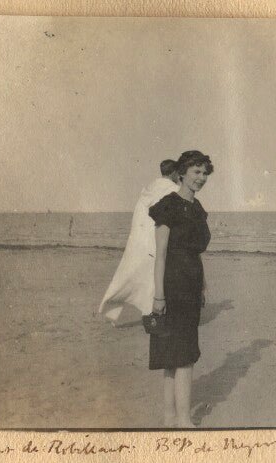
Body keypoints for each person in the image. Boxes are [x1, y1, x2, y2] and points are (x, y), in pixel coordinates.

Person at [149, 150, 213, 427]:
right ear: (182, 172)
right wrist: (158, 295)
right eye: (196, 172)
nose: (201, 178)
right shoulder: (168, 205)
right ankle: (180, 418)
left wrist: (202, 286)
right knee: (179, 352)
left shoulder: (197, 209)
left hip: (192, 280)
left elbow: (196, 253)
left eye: (204, 172)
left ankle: (171, 416)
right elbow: (160, 254)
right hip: (172, 281)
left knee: (178, 351)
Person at [98, 160, 180, 325]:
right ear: (173, 173)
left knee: (131, 276)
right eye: (178, 173)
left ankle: (113, 311)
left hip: (142, 241)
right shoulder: (174, 190)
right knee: (157, 276)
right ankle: (153, 314)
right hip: (158, 240)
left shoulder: (148, 189)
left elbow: (139, 218)